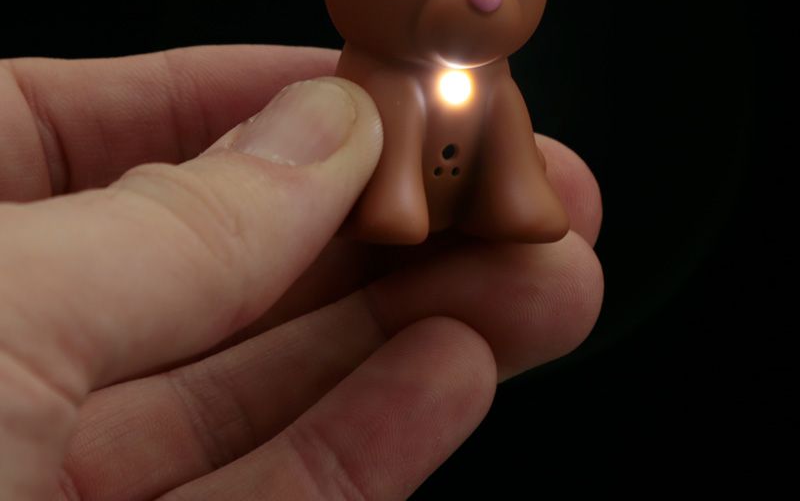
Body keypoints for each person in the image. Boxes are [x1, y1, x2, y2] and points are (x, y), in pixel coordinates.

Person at [0, 45, 603, 500]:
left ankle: (506, 197)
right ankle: (398, 197)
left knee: (522, 176)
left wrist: (516, 183)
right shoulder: (382, 72)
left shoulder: (494, 76)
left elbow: (505, 129)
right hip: (384, 202)